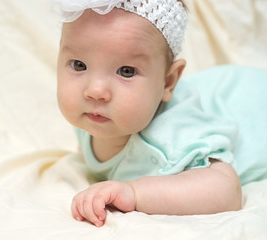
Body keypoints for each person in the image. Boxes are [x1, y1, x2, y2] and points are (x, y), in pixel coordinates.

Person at [53, 0, 242, 227]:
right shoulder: (94, 115)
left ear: (168, 82)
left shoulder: (173, 137)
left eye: (126, 71)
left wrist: (134, 192)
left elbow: (227, 190)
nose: (95, 91)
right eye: (79, 65)